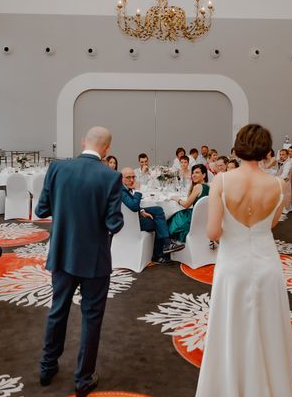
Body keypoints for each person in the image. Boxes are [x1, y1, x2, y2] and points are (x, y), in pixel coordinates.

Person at [196, 124, 292, 397]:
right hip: (267, 264)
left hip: (233, 264)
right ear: (266, 151)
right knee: (268, 328)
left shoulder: (222, 181)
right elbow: (272, 224)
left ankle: (231, 386)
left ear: (238, 147)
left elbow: (213, 232)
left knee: (231, 326)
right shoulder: (277, 184)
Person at [35, 126, 123, 396]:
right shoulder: (111, 176)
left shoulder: (57, 169)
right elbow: (114, 223)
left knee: (57, 310)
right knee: (91, 319)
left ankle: (47, 367)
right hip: (95, 260)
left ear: (83, 141)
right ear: (106, 149)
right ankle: (83, 379)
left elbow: (41, 209)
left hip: (62, 254)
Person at [120, 167, 184, 264]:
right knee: (158, 223)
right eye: (128, 177)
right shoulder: (120, 190)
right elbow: (133, 205)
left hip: (133, 217)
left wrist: (141, 210)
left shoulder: (124, 188)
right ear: (121, 178)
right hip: (129, 224)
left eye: (133, 177)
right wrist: (138, 191)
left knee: (158, 210)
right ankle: (160, 252)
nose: (132, 180)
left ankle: (166, 245)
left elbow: (130, 205)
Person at [168, 164, 209, 243]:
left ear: (204, 175)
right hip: (203, 219)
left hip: (194, 219)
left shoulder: (198, 187)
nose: (193, 175)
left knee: (171, 218)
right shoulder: (207, 186)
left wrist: (177, 199)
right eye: (193, 173)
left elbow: (186, 205)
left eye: (197, 173)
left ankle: (169, 244)